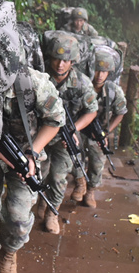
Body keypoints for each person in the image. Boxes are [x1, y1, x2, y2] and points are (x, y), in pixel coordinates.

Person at [0, 58, 64, 273]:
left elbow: (55, 120)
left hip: (26, 160)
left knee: (19, 219)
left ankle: (8, 254)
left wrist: (34, 152)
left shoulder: (34, 83)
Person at [36, 33, 98, 234]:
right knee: (40, 173)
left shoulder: (81, 83)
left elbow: (91, 111)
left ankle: (52, 212)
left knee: (58, 176)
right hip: (40, 133)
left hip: (65, 137)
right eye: (56, 58)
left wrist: (73, 129)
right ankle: (41, 203)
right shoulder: (39, 76)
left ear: (73, 61)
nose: (60, 64)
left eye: (66, 60)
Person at [72, 47, 128, 208]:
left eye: (104, 72)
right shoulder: (82, 85)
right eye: (97, 70)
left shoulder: (112, 91)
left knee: (97, 163)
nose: (100, 75)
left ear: (109, 73)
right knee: (73, 156)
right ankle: (80, 181)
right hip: (80, 129)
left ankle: (90, 190)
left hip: (98, 132)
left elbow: (121, 112)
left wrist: (106, 132)